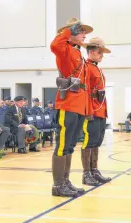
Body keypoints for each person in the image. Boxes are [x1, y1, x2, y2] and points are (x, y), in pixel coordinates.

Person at [50, 17, 93, 197]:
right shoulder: (64, 49)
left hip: (79, 105)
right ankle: (58, 185)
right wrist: (68, 32)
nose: (84, 34)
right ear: (72, 33)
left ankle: (65, 181)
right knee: (61, 146)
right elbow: (54, 45)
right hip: (68, 103)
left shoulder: (77, 53)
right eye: (81, 31)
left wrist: (87, 110)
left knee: (69, 146)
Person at [81, 37, 112, 186]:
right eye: (100, 52)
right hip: (91, 109)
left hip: (101, 110)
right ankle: (86, 174)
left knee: (97, 141)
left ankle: (94, 170)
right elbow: (85, 91)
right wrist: (88, 111)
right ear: (92, 52)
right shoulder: (86, 67)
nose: (102, 55)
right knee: (89, 142)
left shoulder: (97, 67)